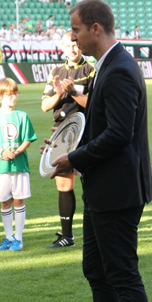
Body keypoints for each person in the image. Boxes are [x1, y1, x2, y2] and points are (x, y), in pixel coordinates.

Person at [52, 0, 152, 302]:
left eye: (76, 29)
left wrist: (75, 159)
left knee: (124, 276)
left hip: (119, 191)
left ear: (96, 28)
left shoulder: (120, 68)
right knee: (97, 270)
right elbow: (101, 126)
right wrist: (64, 150)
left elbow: (119, 133)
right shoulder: (107, 65)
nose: (73, 36)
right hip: (102, 188)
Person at [41, 31, 95, 248]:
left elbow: (94, 103)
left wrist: (72, 92)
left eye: (75, 44)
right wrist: (59, 93)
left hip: (86, 132)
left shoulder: (90, 69)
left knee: (91, 183)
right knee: (64, 184)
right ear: (61, 47)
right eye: (67, 45)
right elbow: (45, 105)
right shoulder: (56, 71)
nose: (72, 48)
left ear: (80, 44)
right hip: (62, 134)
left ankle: (95, 231)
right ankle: (67, 236)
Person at [0, 78, 37, 251]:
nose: (13, 98)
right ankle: (8, 237)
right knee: (5, 201)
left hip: (20, 165)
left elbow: (28, 139)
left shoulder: (22, 116)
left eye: (15, 94)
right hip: (1, 167)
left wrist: (17, 151)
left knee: (19, 200)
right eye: (9, 95)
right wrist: (2, 152)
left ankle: (19, 239)